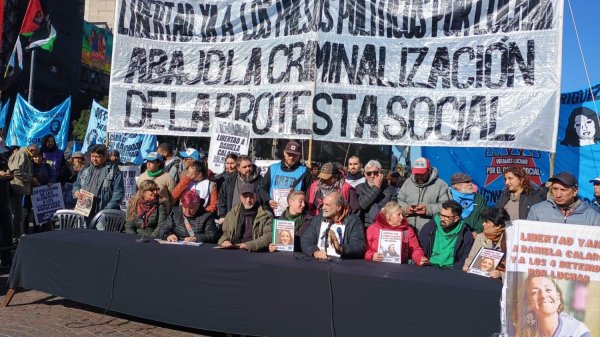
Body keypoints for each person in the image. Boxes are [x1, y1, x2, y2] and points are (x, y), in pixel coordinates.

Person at [513, 276, 590, 337]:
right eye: (535, 292)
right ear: (528, 303)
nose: (543, 295)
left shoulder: (578, 331)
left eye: (548, 290)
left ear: (558, 297)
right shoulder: (520, 331)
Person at [301, 192, 366, 259]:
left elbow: (359, 246)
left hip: (343, 265)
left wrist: (341, 248)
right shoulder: (317, 219)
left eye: (327, 205)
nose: (323, 208)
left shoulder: (353, 221)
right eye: (323, 204)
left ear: (338, 208)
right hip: (319, 262)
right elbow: (306, 240)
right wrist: (315, 252)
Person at [73, 144, 124, 222]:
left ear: (105, 156)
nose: (94, 159)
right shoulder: (85, 169)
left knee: (100, 234)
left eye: (98, 157)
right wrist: (76, 191)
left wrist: (106, 210)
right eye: (92, 156)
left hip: (102, 216)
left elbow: (118, 194)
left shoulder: (114, 171)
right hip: (84, 212)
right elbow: (77, 184)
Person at [398, 157, 451, 232]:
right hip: (407, 229)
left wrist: (428, 210)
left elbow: (447, 207)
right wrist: (405, 209)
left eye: (422, 174)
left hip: (431, 231)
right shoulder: (408, 182)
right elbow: (400, 200)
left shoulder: (441, 185)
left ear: (429, 171)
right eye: (417, 173)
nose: (419, 176)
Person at [527, 172, 600, 226]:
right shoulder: (537, 210)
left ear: (575, 191)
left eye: (563, 190)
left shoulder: (592, 214)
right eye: (555, 189)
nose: (558, 195)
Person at [419, 200, 474, 269]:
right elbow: (419, 250)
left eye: (446, 217)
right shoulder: (429, 228)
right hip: (429, 267)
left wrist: (455, 269)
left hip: (452, 271)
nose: (442, 219)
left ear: (456, 219)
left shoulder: (466, 235)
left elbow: (465, 258)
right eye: (441, 215)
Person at [259, 141, 310, 214]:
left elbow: (309, 194)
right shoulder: (273, 168)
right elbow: (262, 188)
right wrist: (268, 200)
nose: (291, 157)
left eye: (295, 155)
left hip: (295, 215)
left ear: (299, 156)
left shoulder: (305, 171)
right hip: (273, 212)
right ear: (284, 153)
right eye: (289, 154)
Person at [218, 183, 272, 251]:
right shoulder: (231, 214)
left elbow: (268, 236)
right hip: (234, 250)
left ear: (256, 197)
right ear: (240, 197)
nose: (248, 200)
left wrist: (249, 245)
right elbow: (225, 233)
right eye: (245, 196)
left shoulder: (266, 215)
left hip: (254, 252)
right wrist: (225, 241)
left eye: (251, 196)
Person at [463, 208, 509, 279]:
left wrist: (501, 274)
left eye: (486, 222)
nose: (483, 224)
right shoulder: (480, 237)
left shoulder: (510, 241)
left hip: (499, 283)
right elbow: (472, 257)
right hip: (479, 278)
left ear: (498, 226)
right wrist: (467, 265)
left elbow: (516, 271)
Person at [217, 155, 262, 223]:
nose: (248, 169)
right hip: (233, 219)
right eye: (244, 167)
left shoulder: (260, 181)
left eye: (249, 166)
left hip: (253, 219)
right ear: (238, 168)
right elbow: (222, 197)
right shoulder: (230, 180)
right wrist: (222, 215)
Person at [356, 160, 398, 227]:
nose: (372, 176)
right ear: (365, 175)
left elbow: (393, 211)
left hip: (383, 228)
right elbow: (361, 206)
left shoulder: (391, 190)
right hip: (364, 228)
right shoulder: (359, 188)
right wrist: (376, 187)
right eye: (369, 173)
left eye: (375, 173)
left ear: (381, 173)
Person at [8, 143, 37, 238]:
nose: (36, 156)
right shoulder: (21, 154)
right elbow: (16, 171)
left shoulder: (24, 154)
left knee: (17, 214)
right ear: (32, 150)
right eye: (36, 153)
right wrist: (30, 178)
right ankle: (14, 237)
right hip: (16, 189)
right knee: (16, 214)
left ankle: (14, 236)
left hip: (19, 189)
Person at [21, 152, 52, 233]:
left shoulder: (47, 166)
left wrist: (50, 181)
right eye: (35, 157)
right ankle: (23, 234)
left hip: (41, 193)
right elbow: (23, 176)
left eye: (39, 157)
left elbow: (52, 175)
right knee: (25, 214)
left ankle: (37, 233)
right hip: (28, 193)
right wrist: (32, 180)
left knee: (39, 213)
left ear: (42, 157)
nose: (37, 159)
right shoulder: (28, 165)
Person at [0, 139, 14, 270]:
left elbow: (10, 173)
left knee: (7, 231)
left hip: (4, 200)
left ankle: (6, 258)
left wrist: (9, 174)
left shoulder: (4, 156)